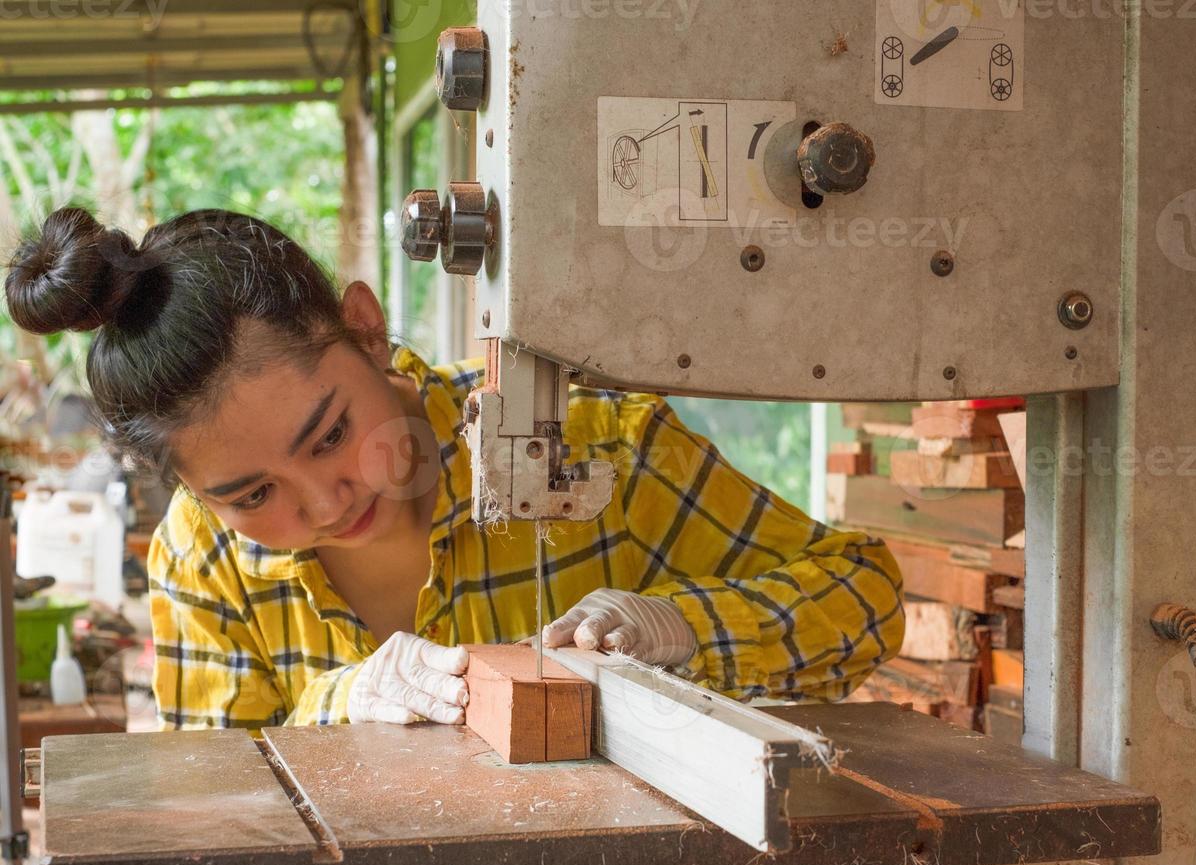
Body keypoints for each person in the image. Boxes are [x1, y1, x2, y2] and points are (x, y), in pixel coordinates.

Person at [4, 206, 905, 731]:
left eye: (328, 435)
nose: (325, 502)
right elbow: (210, 801)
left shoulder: (595, 449)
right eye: (252, 495)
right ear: (197, 494)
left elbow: (865, 594)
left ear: (363, 325)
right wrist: (338, 706)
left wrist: (684, 628)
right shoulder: (201, 555)